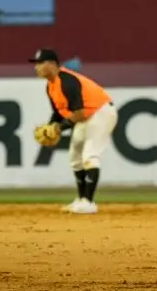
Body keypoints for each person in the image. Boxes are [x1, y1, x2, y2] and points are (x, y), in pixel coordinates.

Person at [29, 48, 118, 214]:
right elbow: (58, 113)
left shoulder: (67, 81)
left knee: (90, 155)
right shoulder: (50, 86)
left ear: (52, 64)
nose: (36, 67)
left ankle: (89, 202)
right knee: (75, 157)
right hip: (88, 116)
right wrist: (50, 127)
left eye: (40, 63)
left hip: (101, 112)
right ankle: (81, 199)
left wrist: (59, 128)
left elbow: (79, 113)